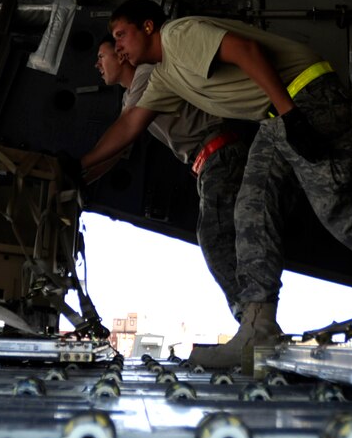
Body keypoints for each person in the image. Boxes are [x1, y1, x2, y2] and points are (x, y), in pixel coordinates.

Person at [80, 0, 352, 369]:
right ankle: (258, 328)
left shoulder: (178, 34)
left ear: (148, 27)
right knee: (253, 210)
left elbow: (245, 50)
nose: (118, 47)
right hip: (277, 117)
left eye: (121, 36)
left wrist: (291, 114)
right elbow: (129, 126)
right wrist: (78, 167)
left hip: (306, 94)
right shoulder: (163, 75)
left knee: (337, 209)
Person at [89, 35, 250, 320]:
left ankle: (251, 318)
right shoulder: (130, 98)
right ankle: (252, 316)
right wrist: (79, 178)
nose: (96, 64)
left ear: (121, 55)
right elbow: (117, 150)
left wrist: (78, 165)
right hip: (211, 161)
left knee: (215, 237)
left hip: (220, 153)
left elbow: (125, 132)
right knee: (230, 238)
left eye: (102, 56)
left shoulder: (148, 75)